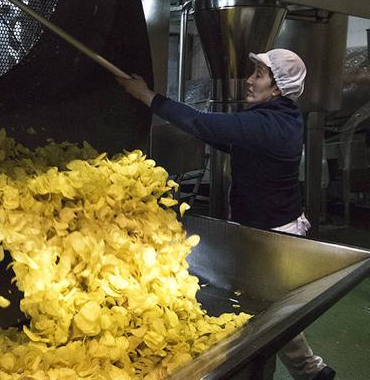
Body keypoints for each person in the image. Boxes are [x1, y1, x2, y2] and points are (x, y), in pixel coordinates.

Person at [117, 48, 335, 380]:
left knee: (268, 315)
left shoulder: (269, 123)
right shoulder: (284, 116)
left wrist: (146, 95)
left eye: (259, 75)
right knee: (273, 312)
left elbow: (203, 123)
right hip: (270, 227)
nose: (249, 80)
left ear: (277, 88)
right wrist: (208, 131)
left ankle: (306, 371)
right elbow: (229, 139)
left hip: (274, 237)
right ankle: (310, 372)